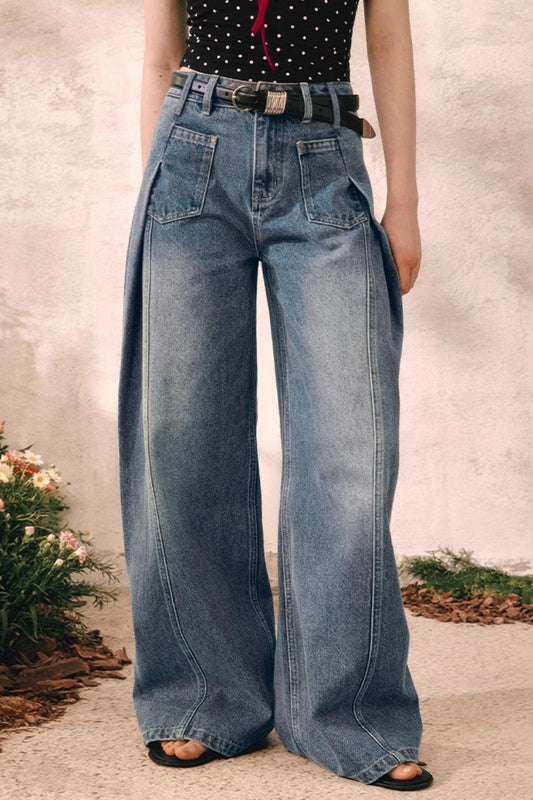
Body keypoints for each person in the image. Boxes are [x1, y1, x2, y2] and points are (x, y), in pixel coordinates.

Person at [118, 0, 432, 790]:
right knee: (183, 438)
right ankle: (203, 693)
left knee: (349, 447)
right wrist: (158, 186)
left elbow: (389, 41)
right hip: (191, 152)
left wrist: (404, 202)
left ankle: (349, 713)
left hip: (324, 155)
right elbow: (161, 56)